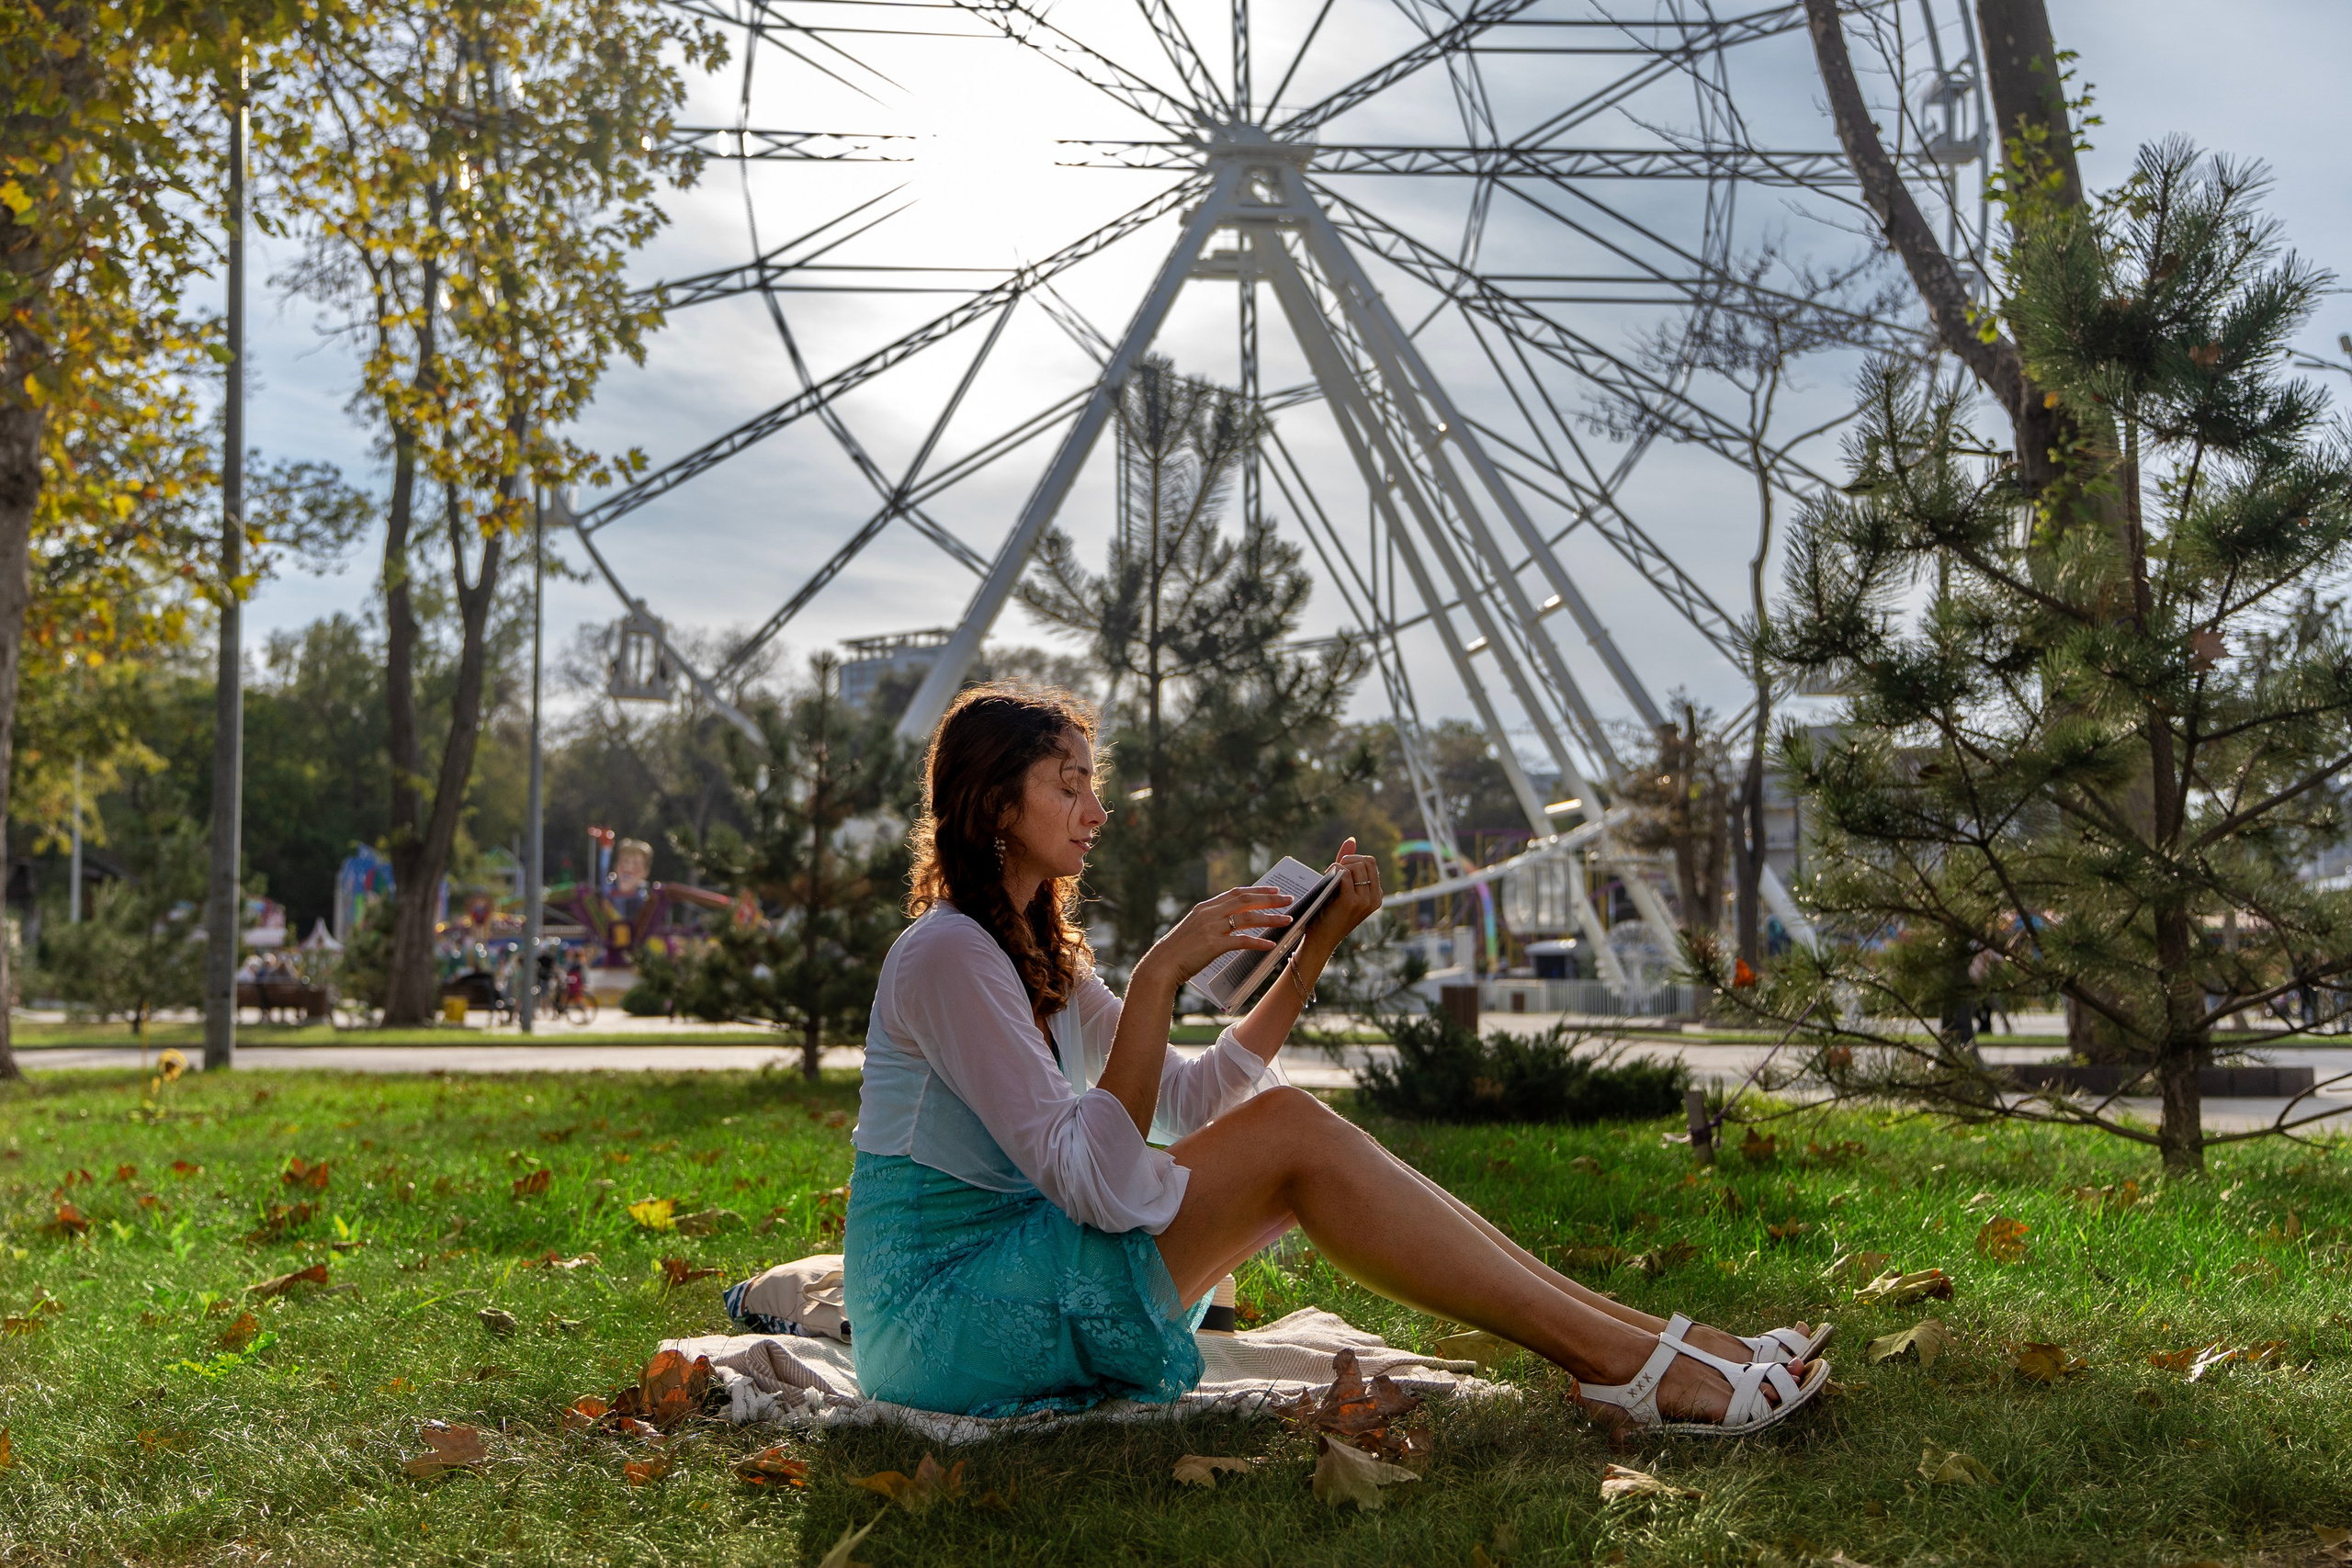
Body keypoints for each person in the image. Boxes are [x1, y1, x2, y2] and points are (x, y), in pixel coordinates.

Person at [844, 684, 1829, 1434]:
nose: (1095, 811)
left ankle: (1662, 1346)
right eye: (1069, 786)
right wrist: (1156, 983)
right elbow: (1091, 1184)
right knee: (1290, 1135)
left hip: (1012, 1273)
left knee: (1287, 1130)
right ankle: (1633, 1364)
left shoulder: (1035, 951)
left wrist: (1312, 946)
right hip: (940, 1319)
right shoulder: (948, 954)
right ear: (992, 805)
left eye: (1093, 784)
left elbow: (1189, 1100)